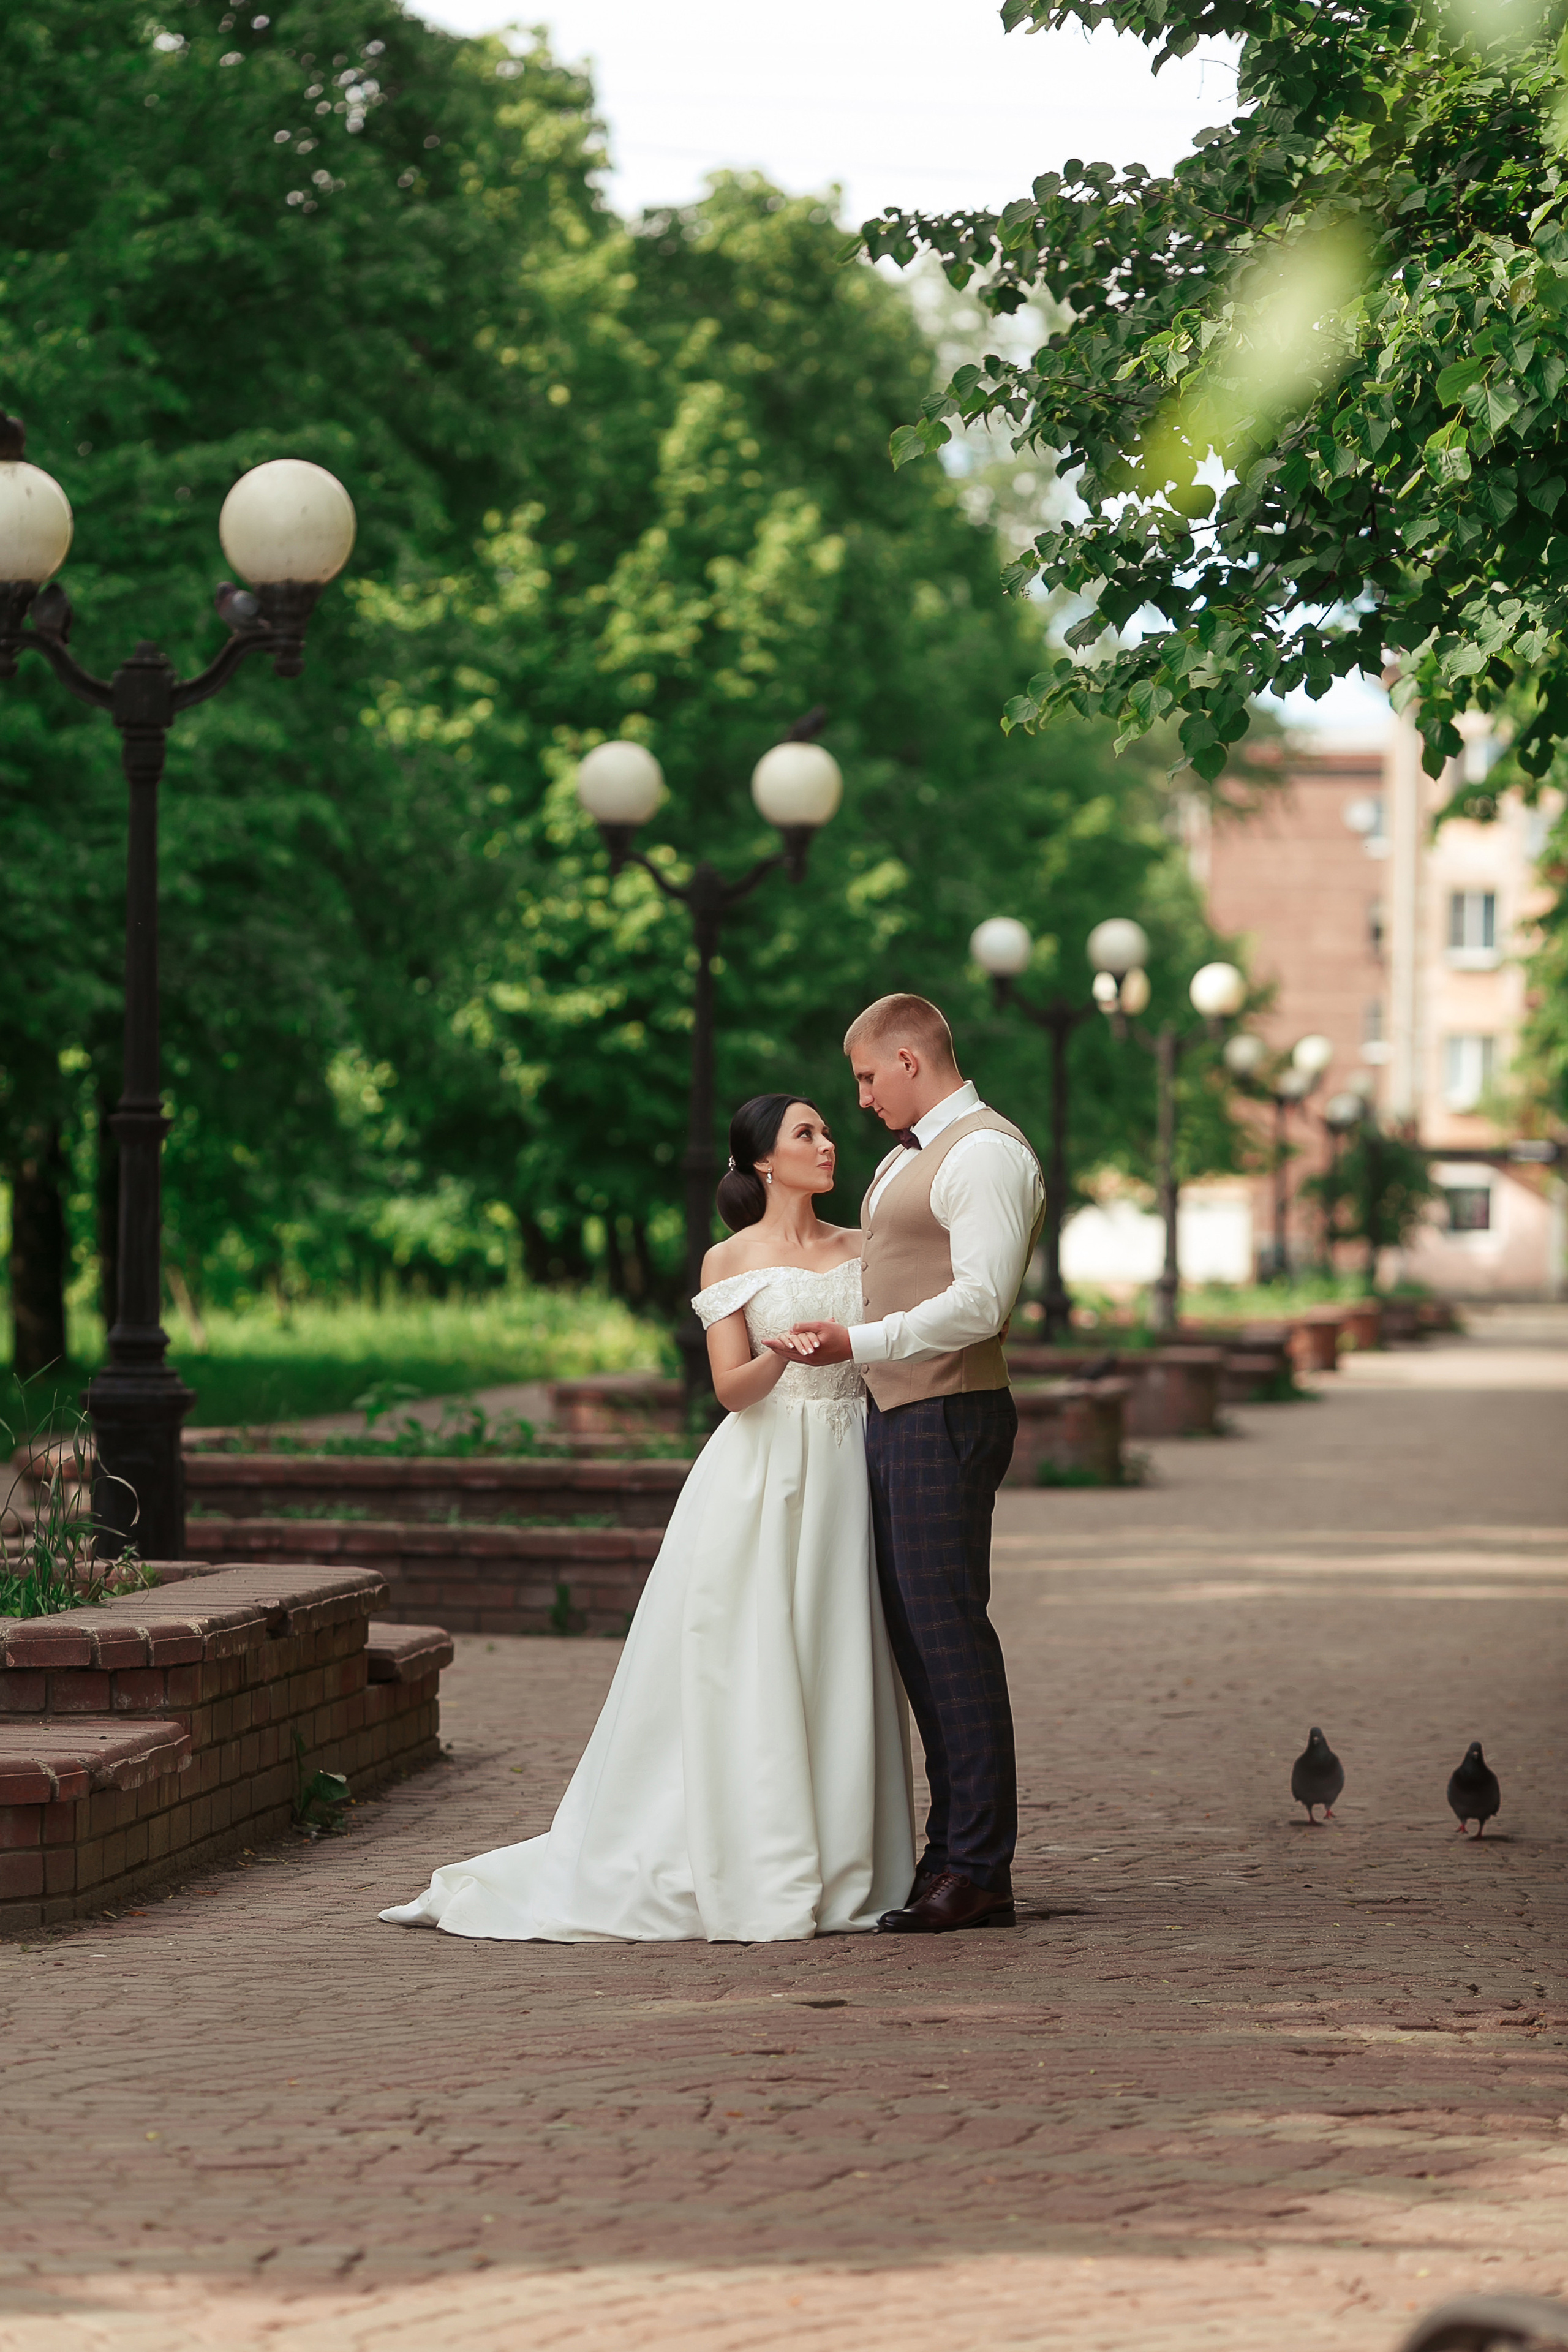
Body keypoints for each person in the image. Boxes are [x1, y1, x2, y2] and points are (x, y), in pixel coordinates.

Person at [379, 1093, 914, 1943]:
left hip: (852, 1461)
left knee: (837, 1649)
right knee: (751, 1655)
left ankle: (848, 1862)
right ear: (764, 1162)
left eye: (824, 1129)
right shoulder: (726, 1259)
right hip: (764, 1469)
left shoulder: (864, 1248)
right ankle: (754, 1853)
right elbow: (730, 1391)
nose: (827, 1143)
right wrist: (782, 1352)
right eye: (805, 1133)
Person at [766, 993, 1044, 1934]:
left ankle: (980, 1868)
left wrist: (859, 1340)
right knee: (920, 1643)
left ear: (909, 1060)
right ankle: (950, 1854)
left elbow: (982, 1305)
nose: (861, 1098)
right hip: (901, 1412)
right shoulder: (903, 1161)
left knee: (950, 1637)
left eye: (867, 1077)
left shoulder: (987, 1155)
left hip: (951, 1409)